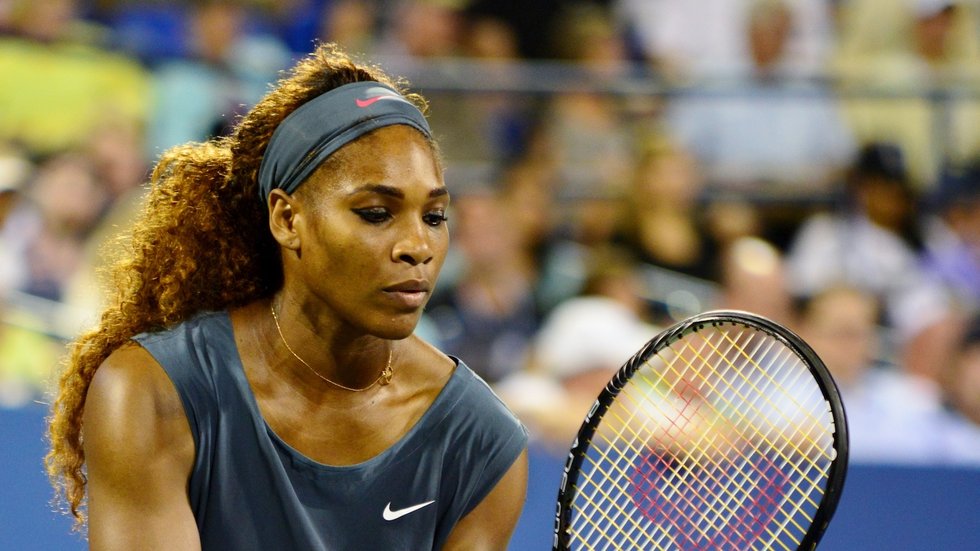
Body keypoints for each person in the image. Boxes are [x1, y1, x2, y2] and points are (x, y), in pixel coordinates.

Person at [45, 43, 529, 550]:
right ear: (287, 219)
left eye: (434, 217)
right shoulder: (152, 390)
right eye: (375, 213)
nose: (418, 247)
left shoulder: (481, 443)